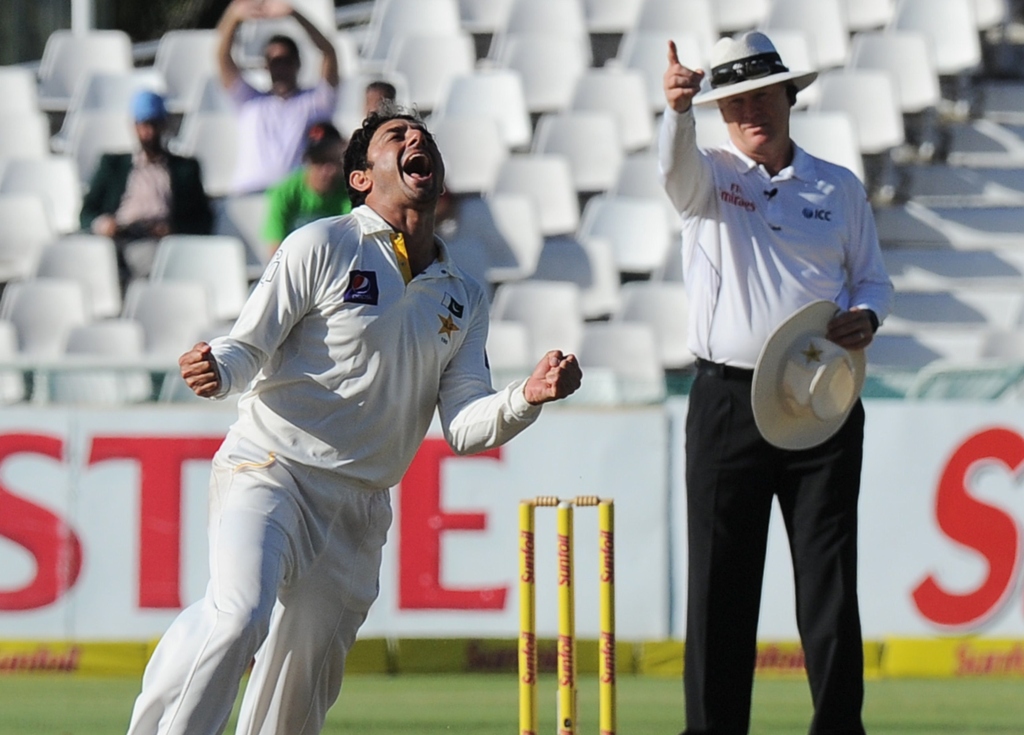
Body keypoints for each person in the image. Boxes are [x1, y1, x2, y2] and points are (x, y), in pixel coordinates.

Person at [123, 104, 583, 735]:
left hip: (359, 505)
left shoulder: (463, 293)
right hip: (271, 468)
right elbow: (248, 344)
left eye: (423, 138)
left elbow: (464, 425)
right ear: (362, 178)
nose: (416, 139)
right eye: (397, 137)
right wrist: (218, 369)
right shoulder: (323, 244)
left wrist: (525, 397)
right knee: (237, 615)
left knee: (296, 696)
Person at [659, 32, 894, 735]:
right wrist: (676, 113)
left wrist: (866, 317)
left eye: (761, 94)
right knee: (719, 581)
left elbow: (873, 279)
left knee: (828, 577)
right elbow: (672, 175)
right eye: (731, 103)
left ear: (791, 95)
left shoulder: (837, 186)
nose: (748, 112)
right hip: (728, 397)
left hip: (820, 396)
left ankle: (838, 726)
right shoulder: (709, 174)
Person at [80, 89, 213, 292]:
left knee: (146, 263)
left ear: (164, 125)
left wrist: (172, 229)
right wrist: (102, 224)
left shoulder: (185, 169)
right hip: (116, 236)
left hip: (153, 241)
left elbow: (202, 220)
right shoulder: (113, 165)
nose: (148, 133)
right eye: (144, 125)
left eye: (154, 125)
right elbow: (87, 213)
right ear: (134, 126)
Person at [217, 0, 340, 195]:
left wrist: (294, 14)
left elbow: (329, 52)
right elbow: (222, 57)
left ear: (298, 63)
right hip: (248, 194)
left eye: (286, 61)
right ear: (266, 66)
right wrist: (233, 17)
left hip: (295, 198)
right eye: (274, 62)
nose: (280, 68)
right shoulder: (249, 101)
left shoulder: (315, 102)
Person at [261, 120, 350, 252]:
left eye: (332, 159)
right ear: (306, 160)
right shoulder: (284, 191)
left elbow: (352, 242)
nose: (327, 170)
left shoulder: (349, 192)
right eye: (319, 160)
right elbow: (275, 248)